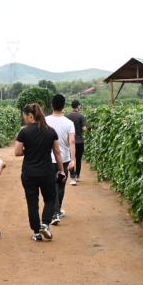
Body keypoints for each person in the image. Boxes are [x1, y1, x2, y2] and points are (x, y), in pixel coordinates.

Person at [15, 103, 65, 241]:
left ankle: (36, 233)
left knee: (32, 202)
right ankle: (45, 224)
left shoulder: (24, 132)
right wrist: (61, 170)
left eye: (24, 116)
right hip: (47, 172)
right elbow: (57, 153)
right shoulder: (51, 131)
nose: (24, 118)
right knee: (50, 199)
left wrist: (28, 150)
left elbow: (17, 152)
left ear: (30, 116)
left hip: (29, 173)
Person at [45, 94, 76, 224]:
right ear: (64, 106)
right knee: (60, 185)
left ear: (51, 105)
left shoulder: (45, 121)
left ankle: (55, 212)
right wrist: (73, 160)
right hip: (64, 159)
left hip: (48, 159)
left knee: (51, 186)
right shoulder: (69, 123)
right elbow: (72, 141)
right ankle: (57, 211)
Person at [65, 99, 88, 185]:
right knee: (78, 159)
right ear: (78, 106)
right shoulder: (81, 116)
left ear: (71, 106)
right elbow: (84, 129)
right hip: (79, 141)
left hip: (69, 142)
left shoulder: (67, 116)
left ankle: (72, 176)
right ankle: (77, 176)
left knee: (70, 159)